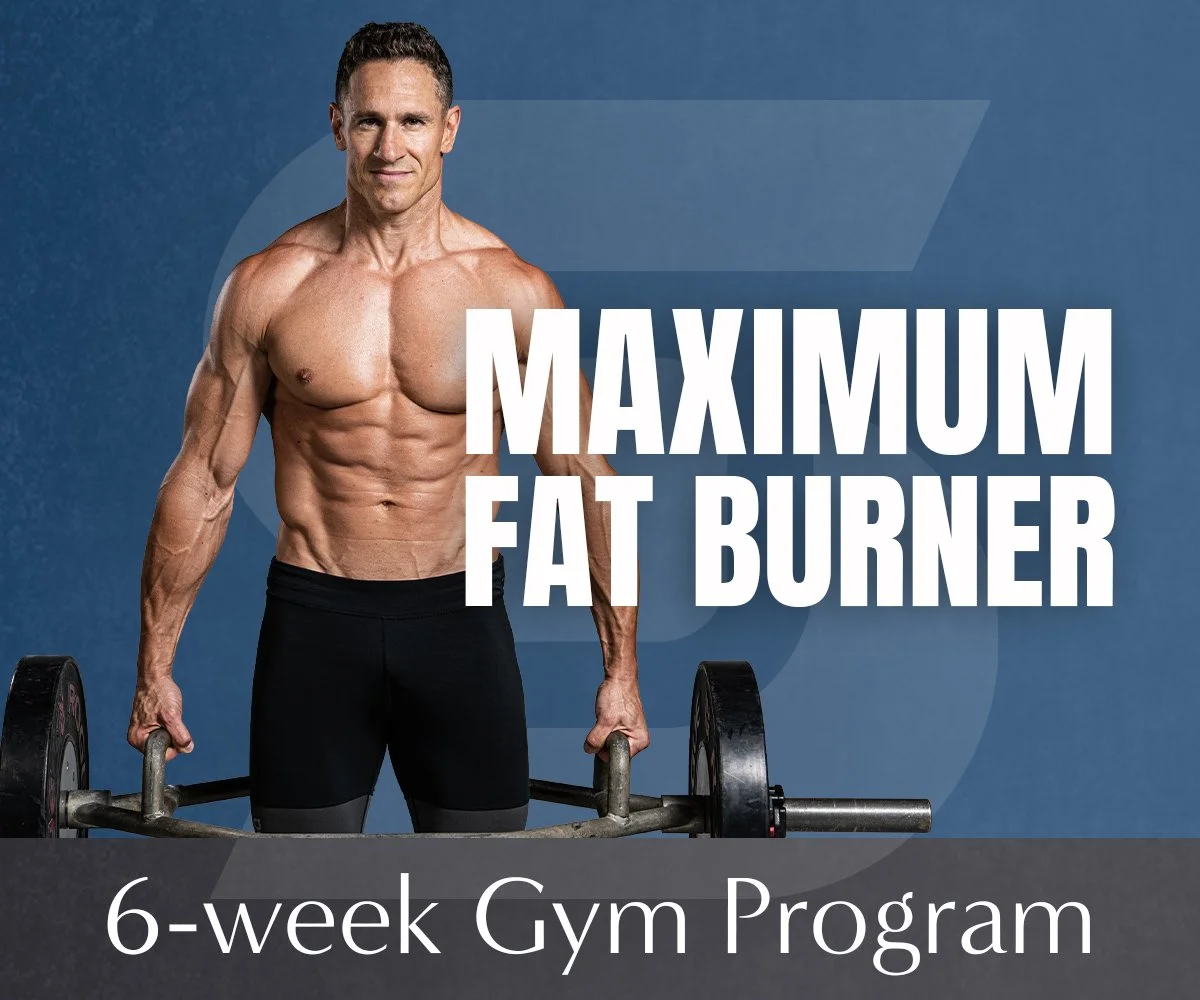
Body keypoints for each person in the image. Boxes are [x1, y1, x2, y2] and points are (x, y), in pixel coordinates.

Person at [126, 21, 649, 834]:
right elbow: (204, 479)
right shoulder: (268, 288)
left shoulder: (511, 292)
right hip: (314, 622)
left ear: (449, 130)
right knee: (301, 922)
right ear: (338, 125)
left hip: (460, 623)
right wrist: (154, 669)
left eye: (411, 122)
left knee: (483, 921)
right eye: (369, 120)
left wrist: (623, 675)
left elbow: (585, 477)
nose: (388, 146)